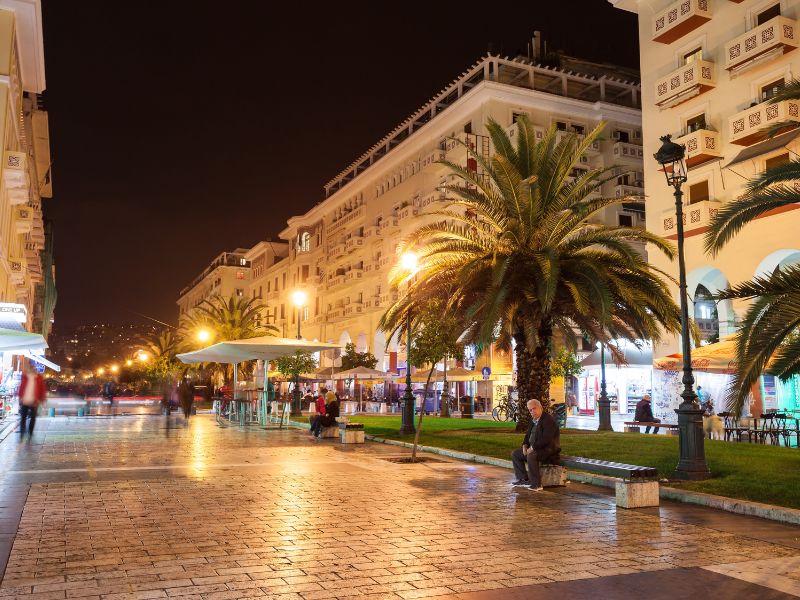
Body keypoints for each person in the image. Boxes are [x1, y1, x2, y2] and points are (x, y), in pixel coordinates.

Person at [510, 399, 561, 491]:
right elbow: (527, 436)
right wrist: (525, 446)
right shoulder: (533, 420)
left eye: (534, 408)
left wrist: (532, 448)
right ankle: (523, 479)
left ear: (540, 408)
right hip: (536, 449)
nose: (532, 411)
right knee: (515, 454)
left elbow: (546, 439)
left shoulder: (548, 420)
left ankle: (536, 484)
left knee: (531, 455)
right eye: (530, 410)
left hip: (548, 450)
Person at [18, 363, 46, 438]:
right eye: (30, 368)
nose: (31, 369)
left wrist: (42, 399)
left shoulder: (38, 378)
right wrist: (20, 397)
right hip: (25, 400)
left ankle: (30, 432)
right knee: (23, 417)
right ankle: (22, 431)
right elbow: (21, 387)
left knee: (33, 418)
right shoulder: (25, 377)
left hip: (34, 400)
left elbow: (42, 389)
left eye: (32, 368)